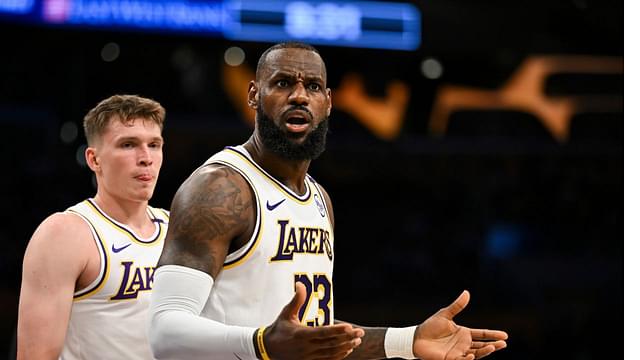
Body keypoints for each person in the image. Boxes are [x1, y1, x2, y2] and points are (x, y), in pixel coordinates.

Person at [148, 42, 508, 360]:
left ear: (328, 102)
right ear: (254, 95)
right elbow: (165, 333)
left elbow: (312, 337)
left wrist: (407, 341)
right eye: (283, 83)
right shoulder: (220, 188)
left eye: (313, 86)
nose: (300, 96)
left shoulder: (320, 199)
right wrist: (262, 344)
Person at [17, 94, 169, 360]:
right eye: (128, 144)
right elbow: (35, 355)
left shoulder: (178, 228)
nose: (146, 157)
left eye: (154, 145)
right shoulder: (64, 234)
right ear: (94, 159)